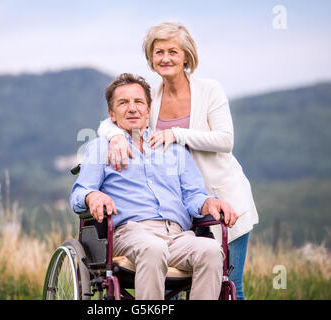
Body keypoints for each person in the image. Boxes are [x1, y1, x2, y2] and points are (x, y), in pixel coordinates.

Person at [97, 22, 259, 300]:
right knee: (174, 283)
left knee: (230, 282)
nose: (165, 58)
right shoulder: (153, 98)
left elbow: (225, 140)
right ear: (151, 57)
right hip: (178, 205)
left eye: (173, 51)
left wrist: (176, 134)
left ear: (187, 55)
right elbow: (117, 117)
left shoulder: (210, 90)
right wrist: (115, 136)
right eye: (158, 52)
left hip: (220, 198)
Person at [70, 73, 238, 300]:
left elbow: (194, 195)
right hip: (130, 233)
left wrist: (211, 203)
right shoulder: (101, 147)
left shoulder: (174, 150)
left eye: (138, 102)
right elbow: (79, 193)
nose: (132, 109)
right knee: (153, 248)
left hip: (177, 235)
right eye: (123, 103)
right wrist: (93, 196)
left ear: (148, 110)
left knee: (210, 251)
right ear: (112, 114)